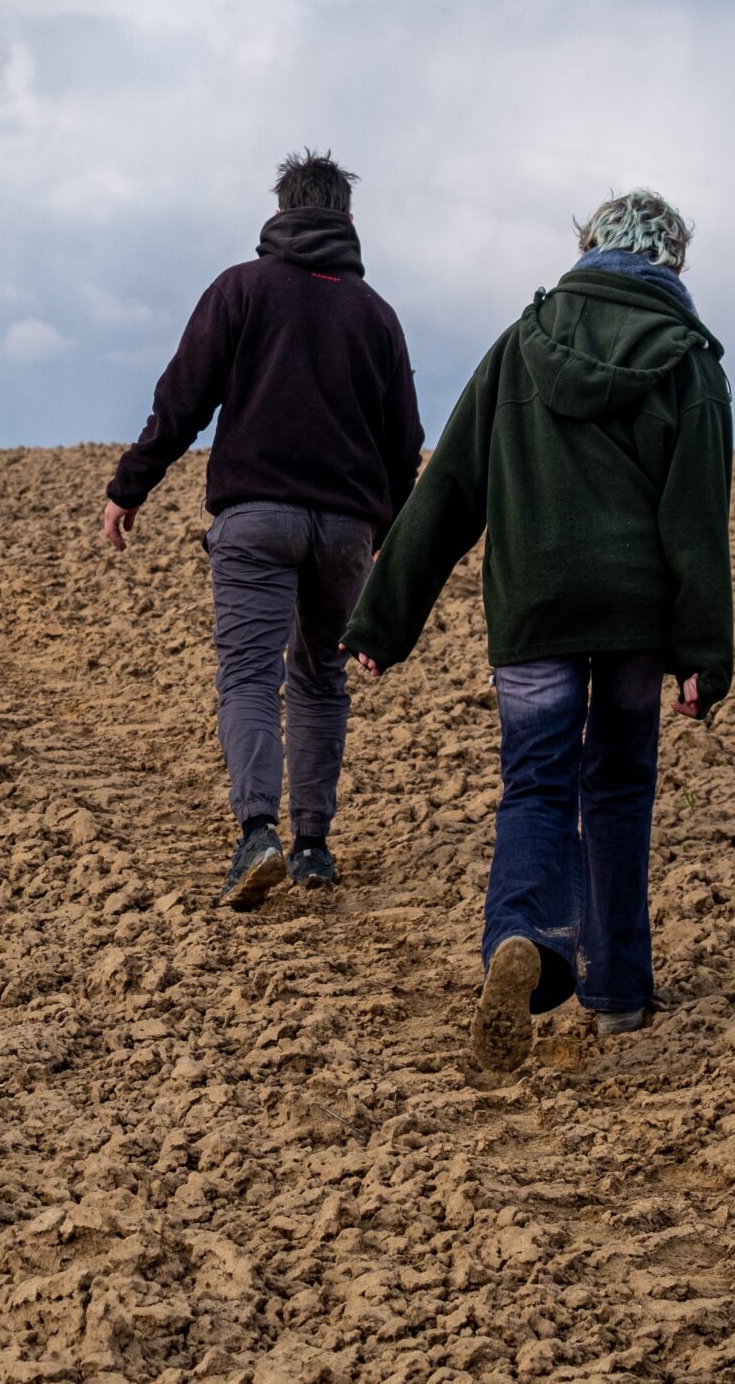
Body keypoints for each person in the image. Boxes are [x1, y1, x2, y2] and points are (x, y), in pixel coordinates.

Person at [342, 189, 732, 1071]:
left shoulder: (523, 344)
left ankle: (519, 934)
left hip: (535, 608)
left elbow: (450, 489)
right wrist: (703, 657)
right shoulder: (690, 362)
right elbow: (698, 522)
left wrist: (384, 616)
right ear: (673, 262)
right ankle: (619, 991)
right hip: (636, 616)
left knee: (537, 783)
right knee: (621, 786)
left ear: (587, 246)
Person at [103, 151, 424, 909]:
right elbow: (403, 440)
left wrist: (130, 485)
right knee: (321, 678)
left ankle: (257, 835)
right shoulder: (376, 315)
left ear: (281, 210)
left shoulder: (240, 289)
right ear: (345, 218)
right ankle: (313, 848)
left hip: (254, 519)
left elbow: (183, 397)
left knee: (251, 676)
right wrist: (388, 530)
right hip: (347, 528)